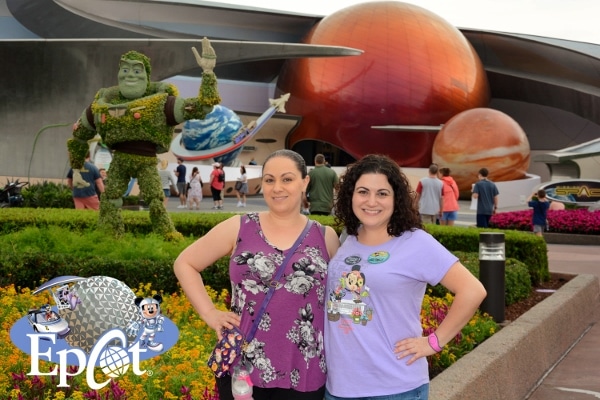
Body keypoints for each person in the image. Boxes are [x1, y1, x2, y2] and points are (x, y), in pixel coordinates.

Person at [173, 149, 340, 400]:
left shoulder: (325, 237)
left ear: (305, 182)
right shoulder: (239, 227)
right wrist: (210, 313)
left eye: (287, 179)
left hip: (305, 368)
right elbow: (185, 263)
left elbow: (339, 301)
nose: (277, 187)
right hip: (244, 366)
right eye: (269, 180)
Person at [325, 154, 486, 400]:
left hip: (394, 388)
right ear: (350, 195)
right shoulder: (348, 237)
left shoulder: (415, 242)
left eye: (382, 193)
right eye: (363, 192)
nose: (371, 201)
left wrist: (433, 342)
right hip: (339, 388)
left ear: (396, 198)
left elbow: (473, 290)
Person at [66, 38, 221, 239]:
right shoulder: (101, 107)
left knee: (155, 199)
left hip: (146, 162)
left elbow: (204, 106)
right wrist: (77, 167)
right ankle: (108, 236)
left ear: (147, 77)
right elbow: (79, 136)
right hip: (120, 161)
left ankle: (166, 235)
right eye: (125, 69)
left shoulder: (164, 104)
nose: (130, 75)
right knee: (110, 199)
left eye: (137, 71)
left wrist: (208, 73)